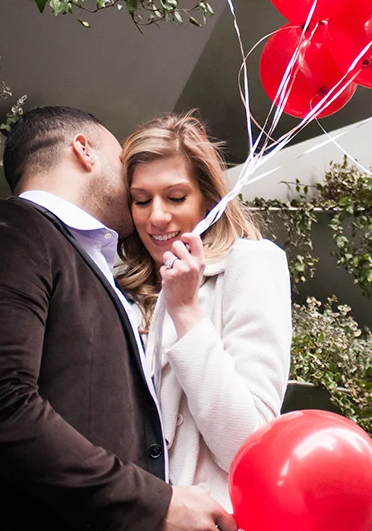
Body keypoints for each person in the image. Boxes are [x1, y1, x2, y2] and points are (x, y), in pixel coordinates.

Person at [0, 106, 236, 531]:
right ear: (84, 150)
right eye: (121, 157)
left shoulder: (96, 266)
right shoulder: (2, 229)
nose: (129, 176)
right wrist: (155, 503)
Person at [117, 112, 292, 511]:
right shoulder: (124, 285)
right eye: (141, 200)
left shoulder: (250, 263)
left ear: (208, 198)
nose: (156, 216)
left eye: (176, 197)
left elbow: (249, 445)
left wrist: (186, 311)